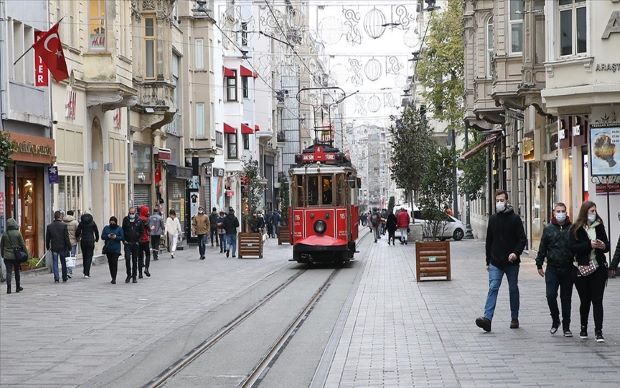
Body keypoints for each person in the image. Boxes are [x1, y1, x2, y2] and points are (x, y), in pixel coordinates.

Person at [475, 190, 527, 332]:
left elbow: (522, 239)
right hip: (495, 262)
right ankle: (487, 319)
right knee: (493, 288)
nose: (499, 203)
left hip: (511, 263)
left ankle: (514, 317)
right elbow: (489, 241)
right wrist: (487, 261)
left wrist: (515, 253)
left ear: (507, 201)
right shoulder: (493, 219)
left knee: (513, 289)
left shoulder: (515, 219)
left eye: (502, 200)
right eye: (497, 200)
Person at [568, 201, 609, 343]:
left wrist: (602, 245)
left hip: (598, 268)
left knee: (597, 300)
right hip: (581, 268)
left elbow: (607, 245)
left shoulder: (599, 225)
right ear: (584, 212)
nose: (593, 213)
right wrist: (588, 244)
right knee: (585, 301)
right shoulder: (576, 228)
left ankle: (599, 331)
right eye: (591, 211)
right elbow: (572, 247)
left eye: (595, 211)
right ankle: (583, 327)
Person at [535, 202, 576, 337]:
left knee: (566, 298)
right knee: (551, 295)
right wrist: (539, 264)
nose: (560, 213)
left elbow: (578, 247)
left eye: (563, 211)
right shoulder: (548, 229)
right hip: (552, 267)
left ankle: (566, 326)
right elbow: (542, 247)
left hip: (568, 268)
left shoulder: (573, 228)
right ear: (554, 213)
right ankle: (555, 319)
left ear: (566, 212)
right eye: (558, 211)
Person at [1, 218, 28, 293]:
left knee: (8, 272)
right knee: (17, 271)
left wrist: (2, 254)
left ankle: (8, 289)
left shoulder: (4, 234)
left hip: (7, 256)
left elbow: (2, 246)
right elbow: (22, 244)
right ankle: (17, 287)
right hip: (16, 255)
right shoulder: (18, 233)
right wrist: (26, 253)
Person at [46, 210, 71, 283]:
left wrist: (47, 246)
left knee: (55, 262)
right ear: (60, 216)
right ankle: (64, 277)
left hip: (54, 247)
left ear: (54, 217)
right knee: (63, 262)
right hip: (62, 247)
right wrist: (69, 246)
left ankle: (56, 278)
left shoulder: (49, 226)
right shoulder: (64, 226)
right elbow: (66, 238)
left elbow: (47, 238)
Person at [122, 207, 143, 283]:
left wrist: (139, 241)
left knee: (135, 260)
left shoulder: (139, 220)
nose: (131, 214)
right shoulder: (125, 220)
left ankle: (134, 276)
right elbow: (123, 230)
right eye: (130, 213)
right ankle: (128, 275)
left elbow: (141, 231)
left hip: (135, 243)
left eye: (132, 213)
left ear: (135, 213)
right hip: (127, 243)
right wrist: (123, 241)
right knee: (127, 259)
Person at [75, 212, 99, 279]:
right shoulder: (93, 223)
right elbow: (96, 231)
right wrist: (97, 239)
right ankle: (87, 272)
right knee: (89, 256)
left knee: (84, 256)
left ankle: (85, 271)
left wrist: (77, 236)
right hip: (91, 240)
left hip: (84, 241)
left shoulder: (81, 223)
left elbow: (77, 232)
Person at [101, 217, 124, 284]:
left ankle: (114, 278)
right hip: (108, 249)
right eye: (111, 222)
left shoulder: (119, 228)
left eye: (113, 222)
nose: (112, 223)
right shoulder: (106, 228)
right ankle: (112, 276)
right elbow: (102, 236)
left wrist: (116, 237)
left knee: (114, 263)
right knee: (110, 263)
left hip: (116, 249)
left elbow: (122, 237)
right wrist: (107, 236)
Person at [63, 210, 79, 277]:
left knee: (66, 256)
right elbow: (78, 232)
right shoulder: (75, 222)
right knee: (72, 256)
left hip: (65, 241)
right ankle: (70, 271)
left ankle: (66, 270)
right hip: (73, 241)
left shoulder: (63, 222)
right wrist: (78, 239)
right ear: (73, 214)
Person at [137, 206, 151, 277]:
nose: (148, 212)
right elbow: (149, 230)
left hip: (139, 240)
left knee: (140, 257)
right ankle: (146, 268)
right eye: (147, 211)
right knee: (148, 255)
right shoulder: (147, 219)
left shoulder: (138, 219)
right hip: (145, 240)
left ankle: (140, 274)